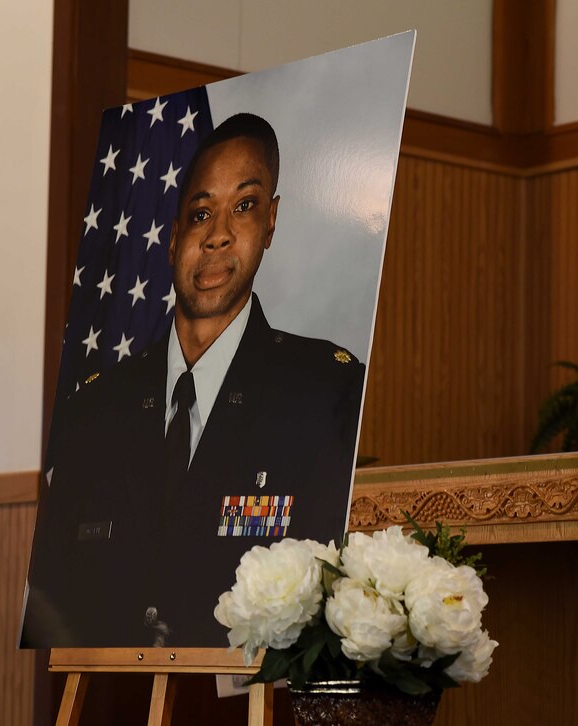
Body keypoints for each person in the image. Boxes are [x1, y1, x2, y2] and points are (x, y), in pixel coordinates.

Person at [22, 113, 365, 648]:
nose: (218, 236)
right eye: (201, 214)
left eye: (245, 208)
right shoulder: (93, 410)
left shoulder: (324, 393)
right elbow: (52, 601)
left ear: (271, 222)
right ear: (173, 238)